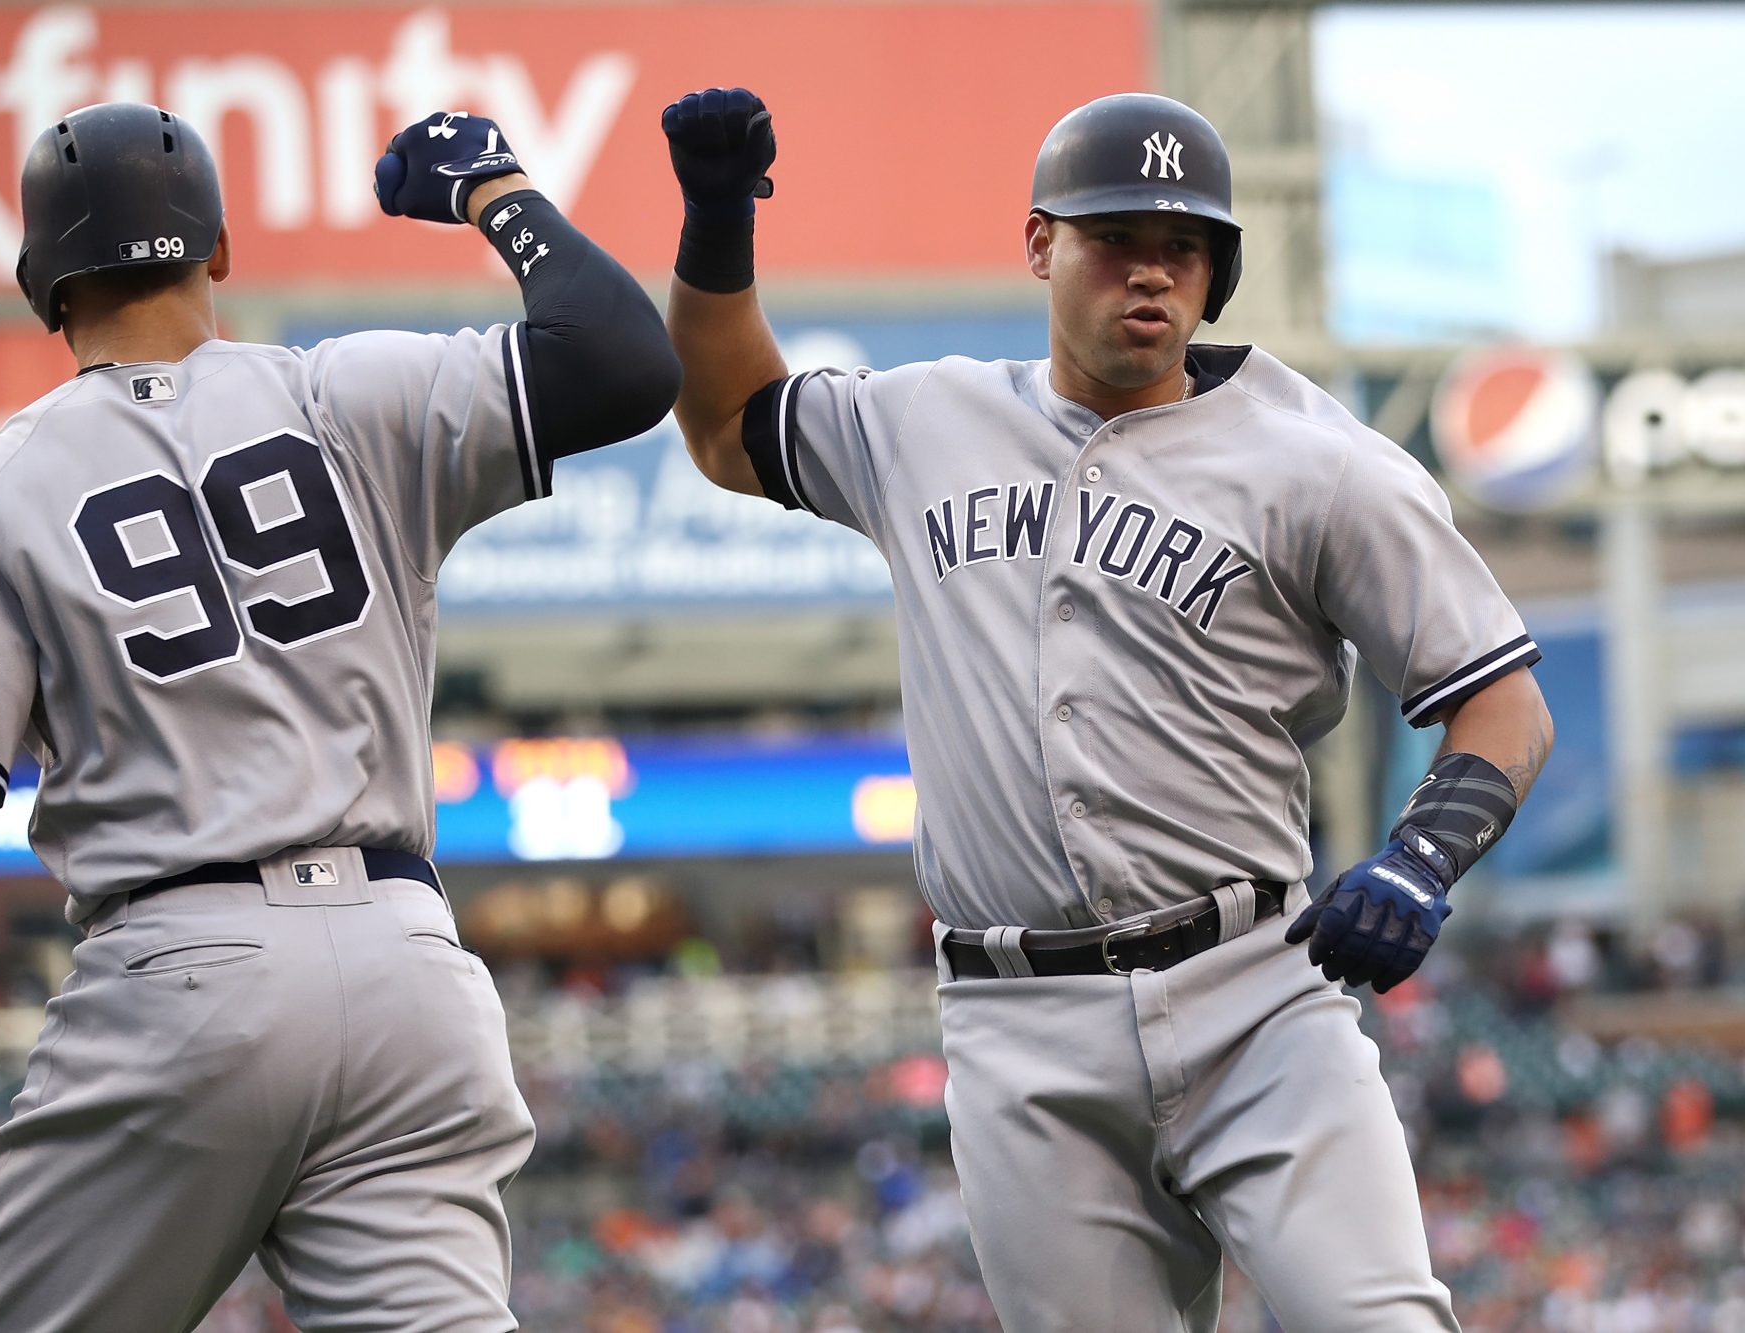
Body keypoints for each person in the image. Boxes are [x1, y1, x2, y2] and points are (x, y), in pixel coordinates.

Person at [660, 87, 1553, 1332]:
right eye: (1115, 238)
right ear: (1038, 245)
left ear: (1215, 272)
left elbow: (1501, 704)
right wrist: (714, 225)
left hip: (1255, 989)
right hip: (1012, 1019)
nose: (1150, 273)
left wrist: (1419, 859)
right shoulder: (925, 421)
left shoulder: (1322, 462)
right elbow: (723, 425)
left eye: (1181, 246)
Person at [0, 100, 679, 1331]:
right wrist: (495, 189)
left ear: (41, 289)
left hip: (181, 977)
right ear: (218, 252)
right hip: (406, 970)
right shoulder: (346, 392)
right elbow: (623, 358)